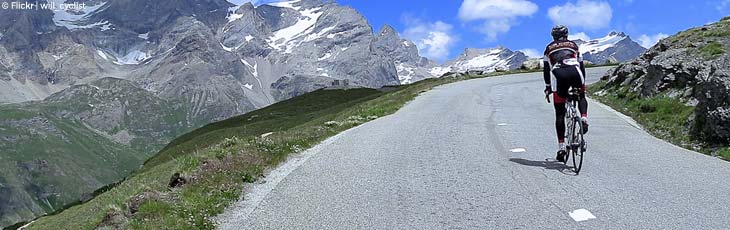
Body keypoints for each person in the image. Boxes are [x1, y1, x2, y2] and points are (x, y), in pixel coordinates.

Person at [542, 25, 589, 163]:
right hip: (576, 72)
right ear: (566, 35)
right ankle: (584, 119)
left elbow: (546, 70)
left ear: (553, 36)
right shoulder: (573, 45)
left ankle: (561, 147)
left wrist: (548, 87)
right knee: (581, 96)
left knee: (560, 113)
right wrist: (582, 84)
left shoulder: (548, 48)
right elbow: (581, 66)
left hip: (559, 75)